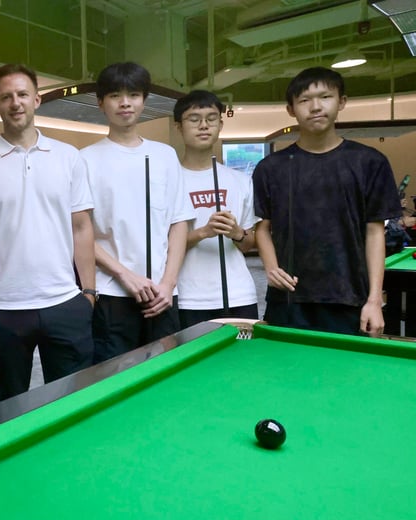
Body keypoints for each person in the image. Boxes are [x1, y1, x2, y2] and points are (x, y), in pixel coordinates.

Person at [0, 64, 96, 402]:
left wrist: (88, 294)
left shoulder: (68, 157)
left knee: (71, 403)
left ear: (36, 100)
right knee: (11, 407)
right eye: (6, 97)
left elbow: (82, 227)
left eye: (21, 95)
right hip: (4, 309)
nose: (15, 103)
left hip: (64, 302)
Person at [253, 67, 401, 336]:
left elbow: (375, 231)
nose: (316, 107)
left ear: (341, 101)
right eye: (304, 100)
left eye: (325, 96)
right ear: (291, 109)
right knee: (284, 374)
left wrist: (374, 300)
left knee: (348, 376)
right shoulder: (270, 168)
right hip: (288, 299)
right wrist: (272, 268)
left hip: (350, 299)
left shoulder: (369, 162)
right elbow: (263, 226)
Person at [82, 62, 195, 363]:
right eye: (115, 95)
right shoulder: (84, 160)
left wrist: (168, 285)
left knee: (166, 380)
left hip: (163, 294)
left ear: (144, 100)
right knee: (111, 381)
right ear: (100, 103)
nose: (125, 103)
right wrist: (125, 275)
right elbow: (79, 233)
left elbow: (179, 223)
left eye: (133, 94)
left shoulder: (164, 155)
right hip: (111, 295)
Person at [173, 90, 259, 328]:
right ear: (179, 127)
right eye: (194, 119)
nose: (204, 126)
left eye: (211, 119)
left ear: (220, 125)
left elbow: (249, 243)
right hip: (187, 298)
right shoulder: (169, 181)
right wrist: (203, 232)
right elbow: (161, 246)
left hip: (238, 294)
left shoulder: (240, 180)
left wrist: (237, 233)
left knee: (242, 363)